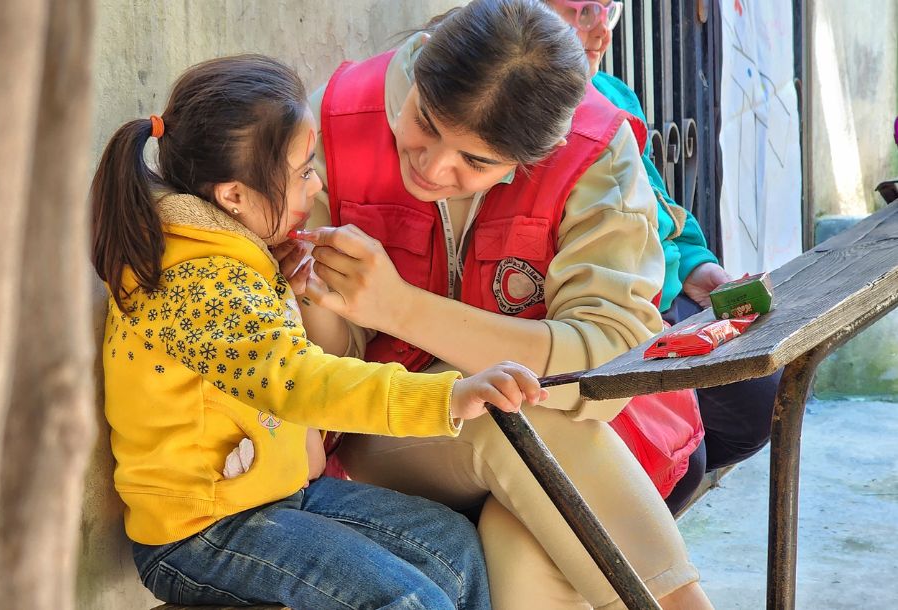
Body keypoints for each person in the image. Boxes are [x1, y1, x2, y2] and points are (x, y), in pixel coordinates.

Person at [277, 0, 714, 607]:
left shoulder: (593, 146)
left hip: (586, 432)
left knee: (527, 540)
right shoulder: (335, 116)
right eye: (424, 121)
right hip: (392, 426)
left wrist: (399, 309)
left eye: (476, 161)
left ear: (539, 155)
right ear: (424, 61)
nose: (432, 166)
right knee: (510, 414)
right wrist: (316, 296)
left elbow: (608, 361)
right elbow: (322, 369)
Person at [90, 53, 553, 609]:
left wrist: (277, 280)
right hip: (202, 529)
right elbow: (300, 380)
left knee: (450, 547)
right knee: (410, 601)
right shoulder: (198, 281)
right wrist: (449, 396)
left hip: (275, 497)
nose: (316, 186)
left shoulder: (231, 254)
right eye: (304, 171)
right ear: (234, 196)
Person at [543, 0, 781, 512]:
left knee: (758, 394)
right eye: (580, 13)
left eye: (608, 11)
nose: (601, 34)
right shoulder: (528, 114)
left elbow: (664, 204)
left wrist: (697, 267)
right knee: (672, 463)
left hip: (666, 297)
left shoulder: (613, 95)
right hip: (610, 313)